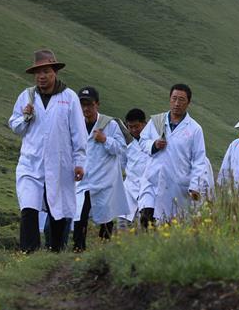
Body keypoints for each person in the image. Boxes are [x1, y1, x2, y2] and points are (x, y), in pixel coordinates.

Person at [8, 49, 86, 252]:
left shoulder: (69, 98)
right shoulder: (27, 96)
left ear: (55, 73)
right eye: (38, 72)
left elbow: (78, 132)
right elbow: (15, 126)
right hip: (30, 162)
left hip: (59, 162)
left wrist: (79, 162)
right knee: (28, 207)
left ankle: (56, 249)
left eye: (46, 72)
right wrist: (25, 117)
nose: (42, 76)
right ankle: (28, 252)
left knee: (57, 208)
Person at [138, 83, 208, 226]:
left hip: (177, 185)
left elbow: (199, 160)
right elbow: (142, 142)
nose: (177, 103)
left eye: (181, 100)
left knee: (168, 224)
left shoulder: (195, 129)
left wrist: (195, 185)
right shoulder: (157, 121)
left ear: (188, 103)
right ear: (169, 99)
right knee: (146, 218)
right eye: (174, 98)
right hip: (153, 181)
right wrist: (154, 145)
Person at [71, 87, 130, 251]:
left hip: (104, 181)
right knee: (79, 216)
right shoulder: (76, 124)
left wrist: (105, 140)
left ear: (97, 104)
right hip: (83, 181)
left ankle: (104, 249)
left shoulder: (109, 125)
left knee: (106, 216)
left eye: (89, 104)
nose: (85, 109)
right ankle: (78, 249)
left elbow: (122, 149)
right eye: (82, 105)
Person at [118, 108, 149, 229]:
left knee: (144, 228)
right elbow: (121, 164)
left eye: (137, 126)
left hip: (147, 191)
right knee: (122, 226)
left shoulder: (153, 142)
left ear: (144, 124)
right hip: (129, 190)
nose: (134, 130)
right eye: (130, 127)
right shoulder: (127, 145)